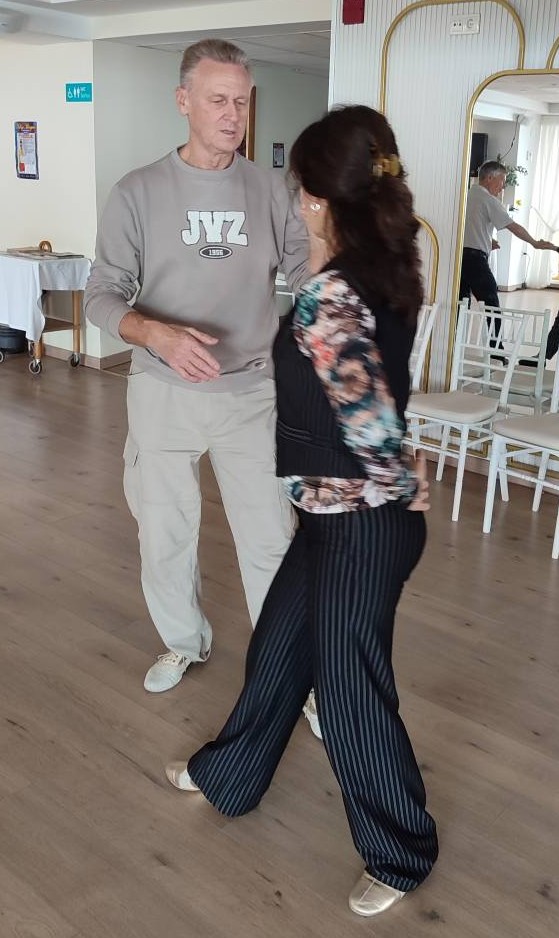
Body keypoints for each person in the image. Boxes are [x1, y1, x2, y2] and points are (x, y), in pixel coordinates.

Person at [164, 105, 438, 917]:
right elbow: (369, 390)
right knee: (280, 650)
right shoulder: (386, 265)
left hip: (361, 521)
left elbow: (370, 423)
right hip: (336, 514)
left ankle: (399, 853)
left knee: (350, 690)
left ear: (316, 197)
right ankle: (230, 773)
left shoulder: (331, 295)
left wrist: (401, 489)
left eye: (299, 191)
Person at [84, 39, 312, 694]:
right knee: (164, 535)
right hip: (163, 392)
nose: (232, 114)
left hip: (251, 393)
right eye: (217, 100)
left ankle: (289, 675)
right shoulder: (137, 191)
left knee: (271, 541)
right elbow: (101, 295)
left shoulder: (271, 191)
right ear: (183, 101)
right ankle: (184, 642)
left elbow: (308, 276)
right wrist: (154, 334)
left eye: (241, 101)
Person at [460, 160, 558, 356]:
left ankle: (453, 346)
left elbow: (469, 226)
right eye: (502, 180)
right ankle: (496, 351)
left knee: (461, 304)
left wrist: (488, 241)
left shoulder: (467, 194)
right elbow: (513, 227)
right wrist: (534, 243)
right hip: (475, 260)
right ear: (490, 178)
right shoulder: (488, 199)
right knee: (492, 304)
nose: (503, 186)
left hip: (459, 258)